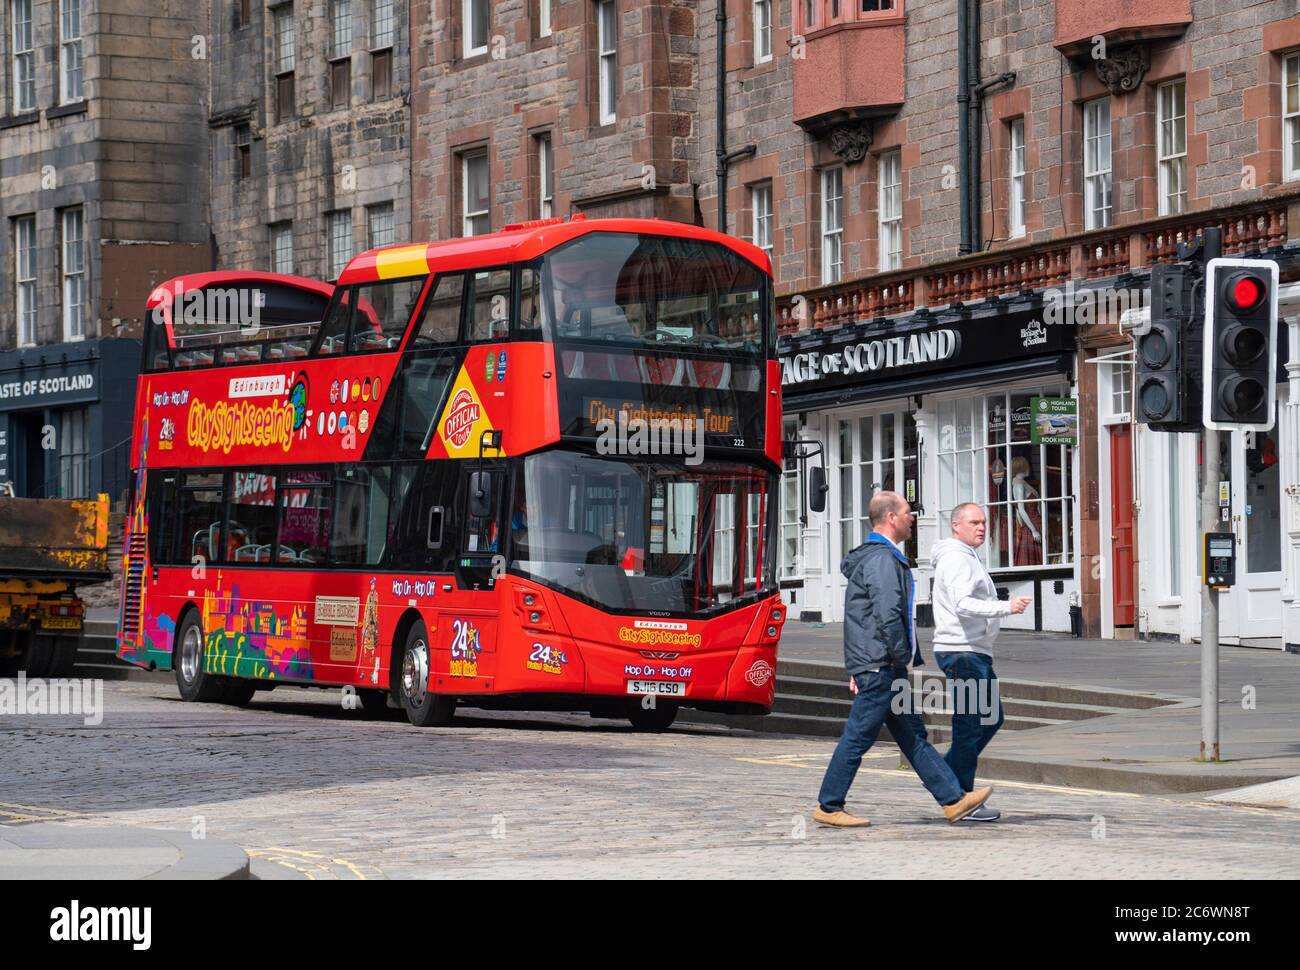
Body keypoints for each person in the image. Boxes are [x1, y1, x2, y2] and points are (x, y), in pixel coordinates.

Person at [813, 491, 993, 828]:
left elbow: (869, 618)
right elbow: (888, 614)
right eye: (908, 512)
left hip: (880, 663)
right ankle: (829, 804)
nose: (913, 518)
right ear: (891, 517)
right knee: (858, 736)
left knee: (913, 737)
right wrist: (897, 659)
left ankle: (954, 800)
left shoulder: (880, 557)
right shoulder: (882, 559)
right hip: (882, 665)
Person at [930, 502, 1031, 822]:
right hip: (962, 652)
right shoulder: (957, 559)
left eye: (984, 522)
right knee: (971, 726)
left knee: (989, 719)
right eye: (974, 522)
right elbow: (963, 604)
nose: (981, 527)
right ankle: (959, 797)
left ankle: (946, 780)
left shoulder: (966, 557)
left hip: (973, 651)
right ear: (955, 526)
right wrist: (1006, 607)